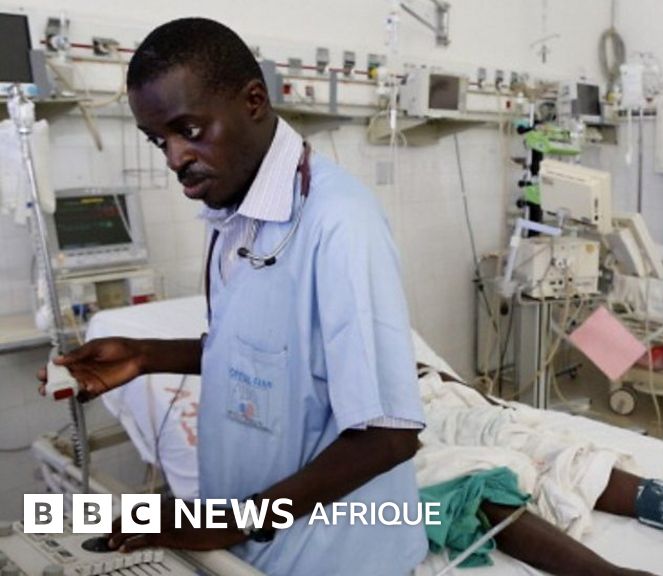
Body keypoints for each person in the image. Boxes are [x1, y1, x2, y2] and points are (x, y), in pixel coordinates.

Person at [37, 18, 427, 575]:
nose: (174, 158)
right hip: (253, 545)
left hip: (336, 557)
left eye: (190, 130)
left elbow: (391, 435)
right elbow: (261, 355)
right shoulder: (234, 213)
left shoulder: (340, 223)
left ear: (253, 101)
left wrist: (236, 520)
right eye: (159, 141)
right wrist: (144, 356)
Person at [415, 361, 663, 576]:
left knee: (545, 449)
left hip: (431, 406)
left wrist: (490, 406)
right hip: (393, 445)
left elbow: (421, 369)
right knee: (469, 481)